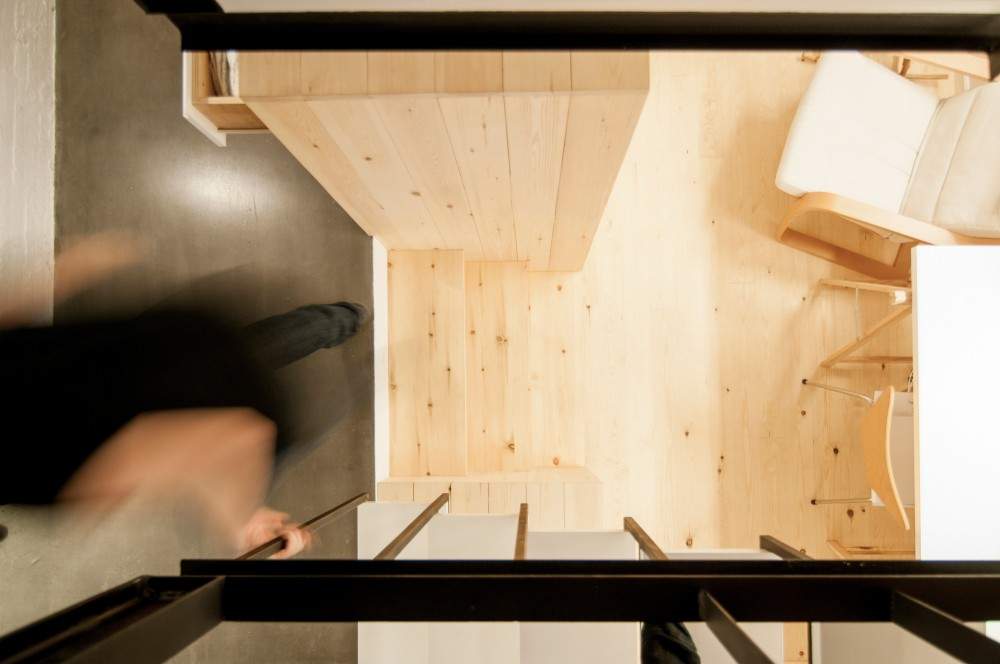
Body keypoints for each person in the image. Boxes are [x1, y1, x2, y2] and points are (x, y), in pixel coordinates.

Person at [0, 233, 370, 558]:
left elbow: (174, 445)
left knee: (267, 380)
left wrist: (238, 518)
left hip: (176, 386)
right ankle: (342, 320)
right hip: (162, 358)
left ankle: (341, 324)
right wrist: (69, 270)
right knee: (257, 356)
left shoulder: (44, 463)